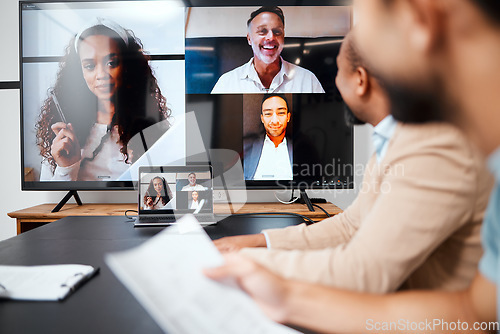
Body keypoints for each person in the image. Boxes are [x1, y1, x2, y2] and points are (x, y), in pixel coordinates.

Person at [206, 0, 500, 332]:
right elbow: (350, 226)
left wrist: (249, 266)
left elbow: (363, 271)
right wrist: (260, 242)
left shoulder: (436, 142)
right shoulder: (395, 139)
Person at [37, 18, 170, 181]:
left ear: (128, 66)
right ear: (80, 72)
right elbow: (52, 201)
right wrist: (66, 168)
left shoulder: (154, 130)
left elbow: (164, 196)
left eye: (111, 63)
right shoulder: (62, 134)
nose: (101, 75)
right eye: (89, 66)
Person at [211, 6, 325, 94]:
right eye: (262, 31)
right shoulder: (227, 83)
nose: (271, 37)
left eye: (277, 32)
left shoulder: (307, 80)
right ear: (249, 39)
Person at [244, 94, 293, 181]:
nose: (274, 121)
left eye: (281, 113)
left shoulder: (301, 149)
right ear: (262, 118)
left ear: (288, 117)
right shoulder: (247, 148)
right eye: (268, 114)